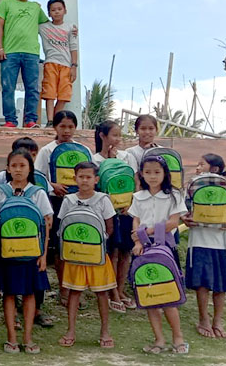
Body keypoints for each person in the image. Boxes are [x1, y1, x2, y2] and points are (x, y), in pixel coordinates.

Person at [0, 148, 53, 355]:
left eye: (22, 166)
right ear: (8, 168)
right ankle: (11, 337)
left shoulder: (38, 193)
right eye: (14, 166)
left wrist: (43, 256)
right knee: (9, 294)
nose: (18, 170)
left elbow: (46, 227)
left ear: (30, 168)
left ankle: (27, 338)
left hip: (32, 254)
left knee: (29, 294)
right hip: (6, 253)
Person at [128, 154, 188, 354]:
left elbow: (173, 222)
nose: (152, 176)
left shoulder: (174, 195)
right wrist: (138, 241)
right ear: (141, 175)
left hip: (165, 247)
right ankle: (159, 339)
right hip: (142, 249)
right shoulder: (138, 197)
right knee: (149, 294)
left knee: (168, 294)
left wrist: (146, 233)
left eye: (157, 172)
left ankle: (178, 338)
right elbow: (135, 220)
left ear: (165, 173)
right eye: (147, 172)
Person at [57, 162, 116, 349]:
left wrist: (98, 244)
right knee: (74, 293)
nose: (84, 180)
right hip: (75, 256)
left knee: (101, 293)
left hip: (97, 256)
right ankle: (71, 330)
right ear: (75, 178)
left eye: (88, 177)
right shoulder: (68, 200)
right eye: (81, 176)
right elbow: (62, 229)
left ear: (96, 180)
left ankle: (105, 331)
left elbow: (110, 227)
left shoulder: (103, 199)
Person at [34, 110, 86, 317]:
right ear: (55, 127)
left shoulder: (82, 149)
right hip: (55, 202)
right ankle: (64, 290)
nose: (66, 130)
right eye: (62, 126)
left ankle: (76, 289)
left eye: (70, 126)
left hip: (78, 202)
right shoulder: (47, 151)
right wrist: (52, 185)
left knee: (76, 243)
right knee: (59, 247)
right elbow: (37, 177)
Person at [183, 153, 226, 340]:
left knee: (221, 285)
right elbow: (183, 211)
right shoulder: (192, 186)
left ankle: (217, 321)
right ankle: (203, 320)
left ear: (214, 169)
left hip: (221, 243)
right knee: (202, 283)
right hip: (199, 240)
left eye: (202, 164)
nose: (198, 167)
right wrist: (185, 219)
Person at [0, 0, 49, 128]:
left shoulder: (36, 7)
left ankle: (30, 120)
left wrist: (70, 30)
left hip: (31, 53)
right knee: (8, 87)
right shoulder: (6, 3)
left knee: (32, 88)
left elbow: (49, 26)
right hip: (10, 52)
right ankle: (10, 120)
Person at [93, 121, 138, 313]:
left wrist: (132, 204)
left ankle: (120, 290)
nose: (118, 139)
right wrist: (110, 161)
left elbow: (134, 182)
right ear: (102, 136)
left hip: (126, 211)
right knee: (112, 253)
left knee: (126, 251)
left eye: (120, 136)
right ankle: (112, 292)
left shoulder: (126, 156)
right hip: (107, 214)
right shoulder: (94, 159)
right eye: (114, 135)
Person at [40, 0, 80, 126]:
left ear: (65, 10)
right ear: (49, 13)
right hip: (51, 62)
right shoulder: (43, 27)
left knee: (64, 95)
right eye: (53, 10)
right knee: (50, 93)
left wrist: (74, 66)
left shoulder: (70, 28)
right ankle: (50, 120)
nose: (56, 12)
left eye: (59, 9)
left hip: (66, 65)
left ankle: (56, 119)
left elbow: (74, 47)